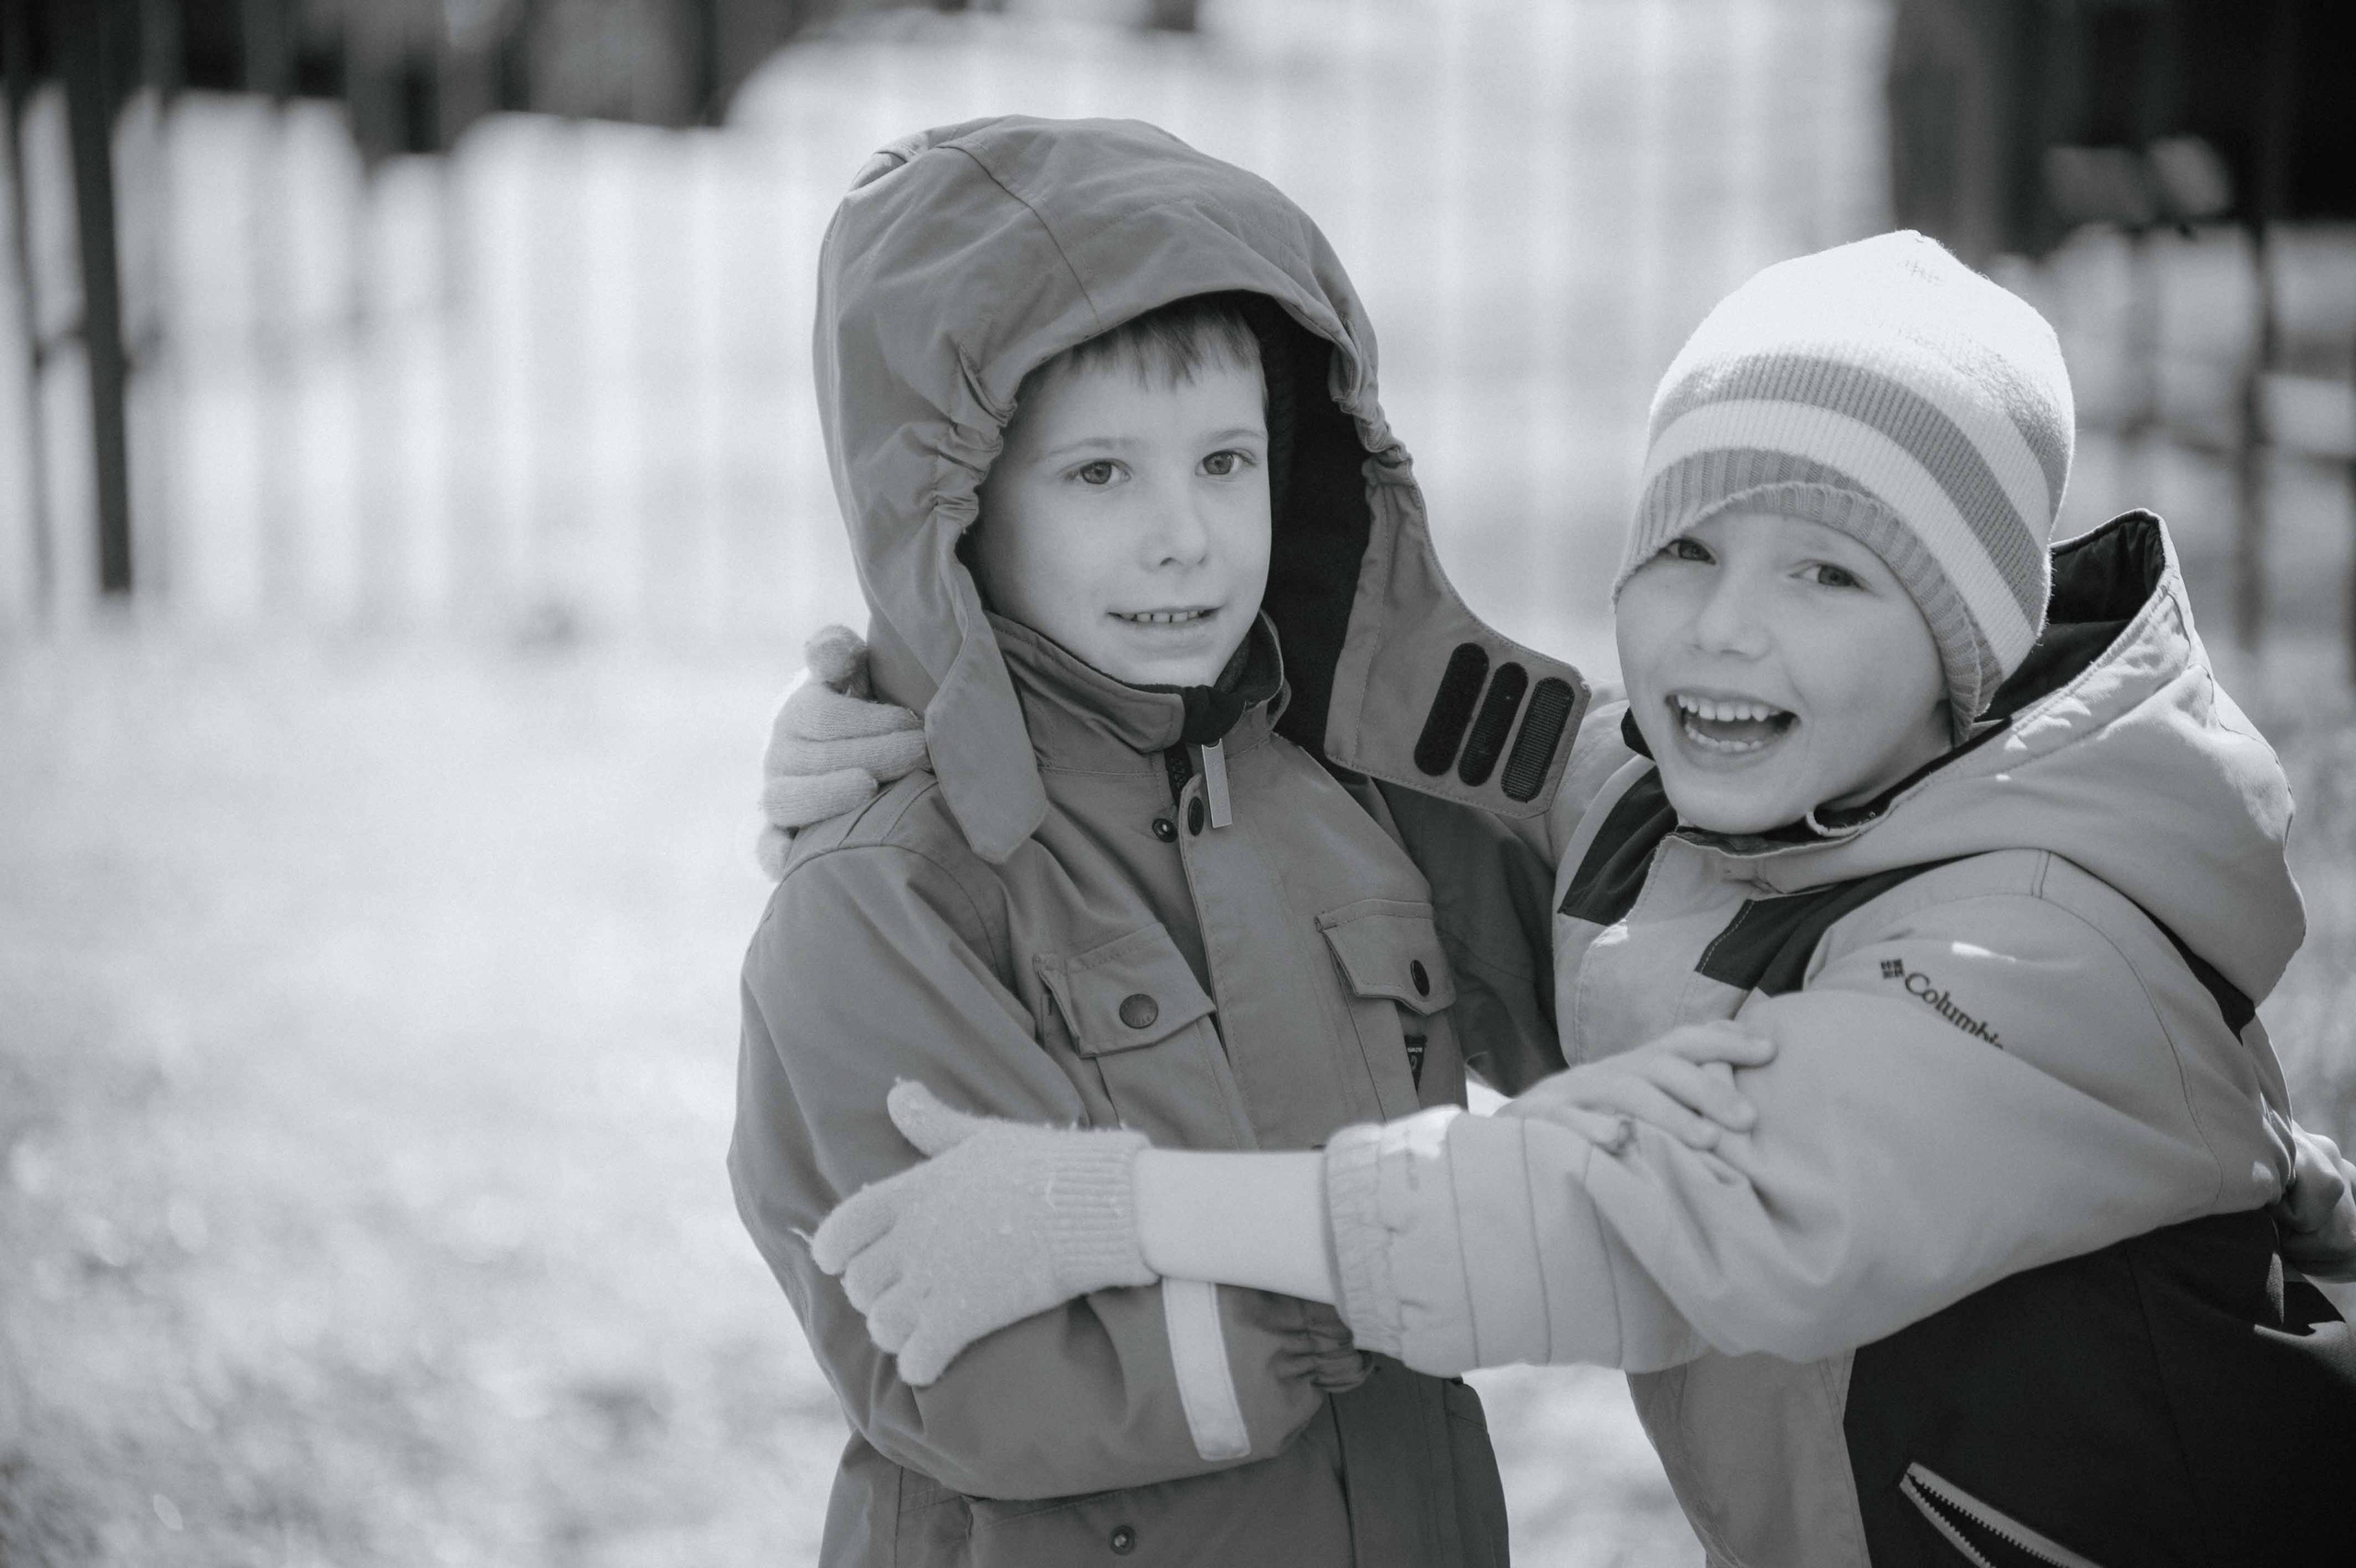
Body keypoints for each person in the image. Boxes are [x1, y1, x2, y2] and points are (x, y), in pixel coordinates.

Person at [800, 232, 2356, 1566]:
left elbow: (1630, 1216)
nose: (1727, 631)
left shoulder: (2033, 943)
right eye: (1685, 546)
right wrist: (913, 717)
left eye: (1833, 575)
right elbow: (1363, 734)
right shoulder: (1684, 812)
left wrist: (1107, 1209)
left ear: (1970, 650)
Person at [730, 112, 1778, 1568]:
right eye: (1101, 475)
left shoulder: (1346, 786)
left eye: (1226, 461)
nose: (1187, 537)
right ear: (954, 513)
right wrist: (1396, 1265)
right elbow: (974, 1371)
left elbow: (1642, 930)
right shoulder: (890, 892)